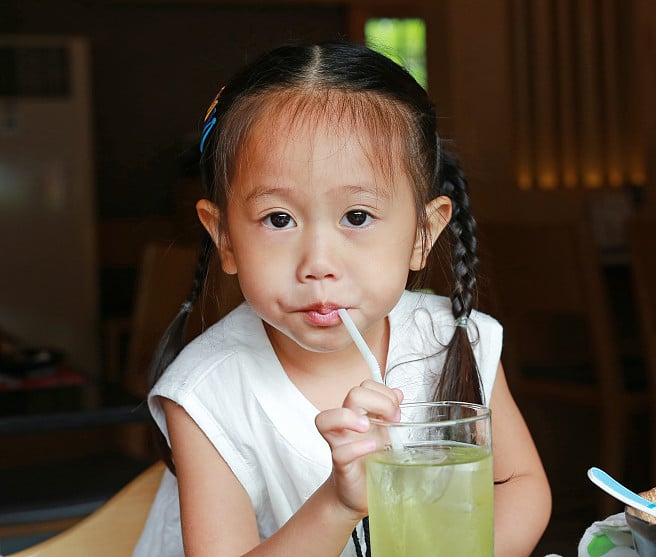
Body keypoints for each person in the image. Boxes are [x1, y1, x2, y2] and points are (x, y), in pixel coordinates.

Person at [133, 41, 551, 557]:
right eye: (278, 219)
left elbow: (520, 485)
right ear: (225, 239)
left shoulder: (452, 337)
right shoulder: (208, 392)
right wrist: (338, 501)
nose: (318, 262)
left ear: (424, 232)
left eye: (357, 217)